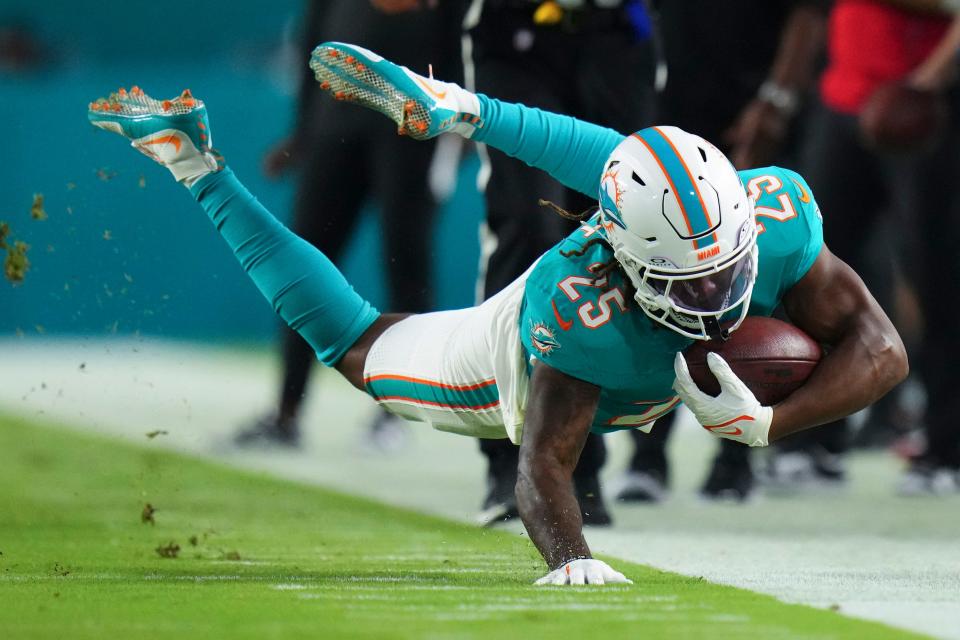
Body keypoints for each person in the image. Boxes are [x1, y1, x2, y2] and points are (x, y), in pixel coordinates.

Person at [87, 41, 907, 585]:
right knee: (357, 345)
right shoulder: (580, 314)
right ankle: (195, 164)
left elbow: (882, 350)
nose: (718, 300)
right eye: (688, 286)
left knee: (620, 154)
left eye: (726, 272)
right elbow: (541, 466)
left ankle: (458, 105)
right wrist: (571, 562)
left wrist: (769, 423)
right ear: (627, 258)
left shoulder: (773, 220)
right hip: (508, 343)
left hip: (630, 210)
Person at [457, 0, 662, 527]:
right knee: (528, 227)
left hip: (618, 38)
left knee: (622, 239)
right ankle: (508, 459)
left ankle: (582, 461)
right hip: (518, 38)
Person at [618, 0, 829, 502]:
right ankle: (647, 452)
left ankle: (736, 455)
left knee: (752, 279)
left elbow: (810, 11)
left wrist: (776, 99)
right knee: (655, 274)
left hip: (747, 102)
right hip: (663, 106)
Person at [234, 0, 458, 449]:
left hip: (411, 130)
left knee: (406, 267)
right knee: (303, 268)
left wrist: (454, 131)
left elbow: (460, 44)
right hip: (333, 130)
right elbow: (314, 46)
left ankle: (400, 413)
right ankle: (286, 412)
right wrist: (301, 134)